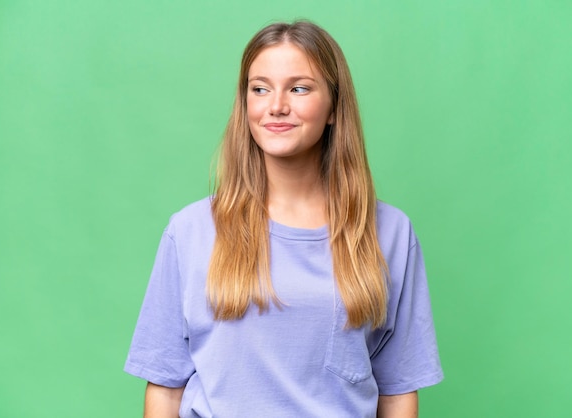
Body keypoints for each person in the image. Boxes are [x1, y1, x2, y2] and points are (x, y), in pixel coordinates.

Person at [125, 20, 443, 418]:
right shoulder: (189, 231)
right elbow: (165, 387)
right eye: (260, 88)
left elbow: (397, 391)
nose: (276, 105)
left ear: (333, 107)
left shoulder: (390, 233)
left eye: (299, 88)